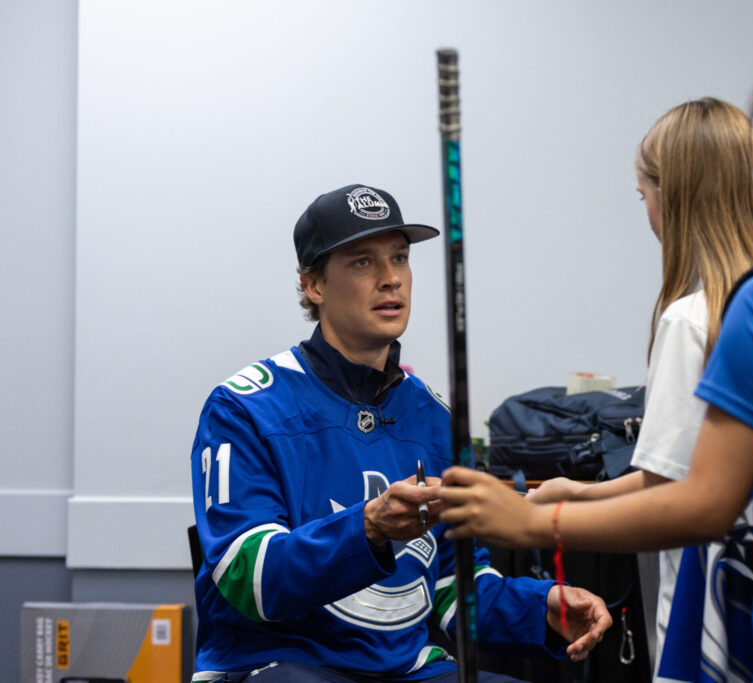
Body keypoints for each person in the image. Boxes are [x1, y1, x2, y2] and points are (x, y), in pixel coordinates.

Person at [439, 50, 753, 682]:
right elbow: (688, 468)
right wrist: (582, 491)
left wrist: (531, 522)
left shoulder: (710, 315)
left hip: (744, 595)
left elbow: (694, 499)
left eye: (644, 194)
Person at [189, 183, 611, 683]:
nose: (392, 279)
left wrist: (542, 606)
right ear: (314, 285)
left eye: (400, 258)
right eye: (363, 262)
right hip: (280, 664)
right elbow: (251, 579)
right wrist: (369, 526)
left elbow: (456, 588)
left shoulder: (434, 418)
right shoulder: (243, 407)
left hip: (408, 670)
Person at [526, 98, 753, 679]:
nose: (646, 213)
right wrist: (575, 489)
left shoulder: (692, 321)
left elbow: (668, 491)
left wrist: (555, 511)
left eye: (644, 196)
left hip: (714, 593)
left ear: (676, 197)